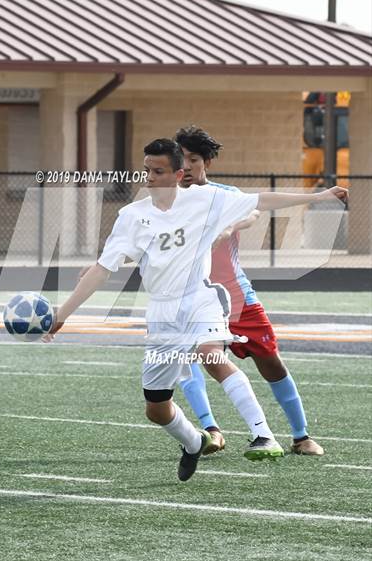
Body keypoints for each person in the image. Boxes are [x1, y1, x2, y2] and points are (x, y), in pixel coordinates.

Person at [45, 139, 347, 481]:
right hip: (162, 315)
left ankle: (263, 435)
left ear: (177, 174)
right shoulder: (131, 216)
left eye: (159, 171)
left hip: (201, 299)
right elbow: (103, 269)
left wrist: (319, 196)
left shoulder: (207, 199)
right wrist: (63, 314)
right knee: (156, 409)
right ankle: (192, 442)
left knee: (214, 358)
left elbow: (263, 200)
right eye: (147, 170)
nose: (151, 178)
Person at [174, 125, 333, 456]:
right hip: (193, 300)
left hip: (236, 297)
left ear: (207, 163)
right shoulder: (166, 202)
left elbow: (254, 211)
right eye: (181, 159)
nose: (186, 165)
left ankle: (301, 436)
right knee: (192, 360)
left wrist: (231, 225)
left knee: (271, 363)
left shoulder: (225, 195)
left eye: (194, 159)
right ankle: (211, 431)